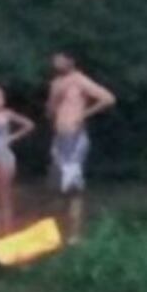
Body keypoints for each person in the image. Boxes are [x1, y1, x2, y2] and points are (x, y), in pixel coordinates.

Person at [46, 52, 116, 244]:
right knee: (57, 185)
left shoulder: (80, 80)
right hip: (59, 136)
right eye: (55, 59)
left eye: (60, 59)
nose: (56, 62)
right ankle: (59, 231)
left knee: (73, 185)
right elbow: (50, 111)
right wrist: (54, 101)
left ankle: (75, 234)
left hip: (75, 136)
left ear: (70, 60)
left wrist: (83, 114)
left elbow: (108, 98)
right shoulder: (55, 83)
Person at [0, 85, 36, 238]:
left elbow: (29, 124)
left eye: (2, 97)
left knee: (5, 196)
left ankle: (8, 232)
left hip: (4, 155)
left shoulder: (7, 114)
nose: (0, 100)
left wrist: (12, 137)